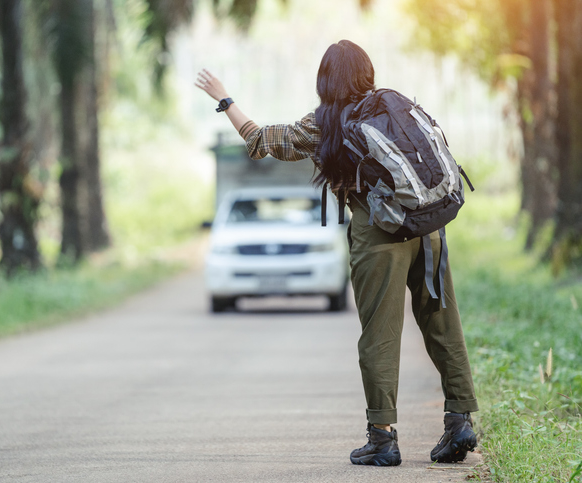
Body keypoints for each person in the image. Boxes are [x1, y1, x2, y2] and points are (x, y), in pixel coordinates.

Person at [195, 40, 479, 467]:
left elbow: (260, 140)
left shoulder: (326, 122)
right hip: (429, 224)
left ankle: (382, 438)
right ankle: (460, 420)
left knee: (380, 334)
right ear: (367, 71)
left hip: (378, 229)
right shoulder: (394, 106)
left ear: (325, 80)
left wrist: (225, 99)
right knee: (442, 321)